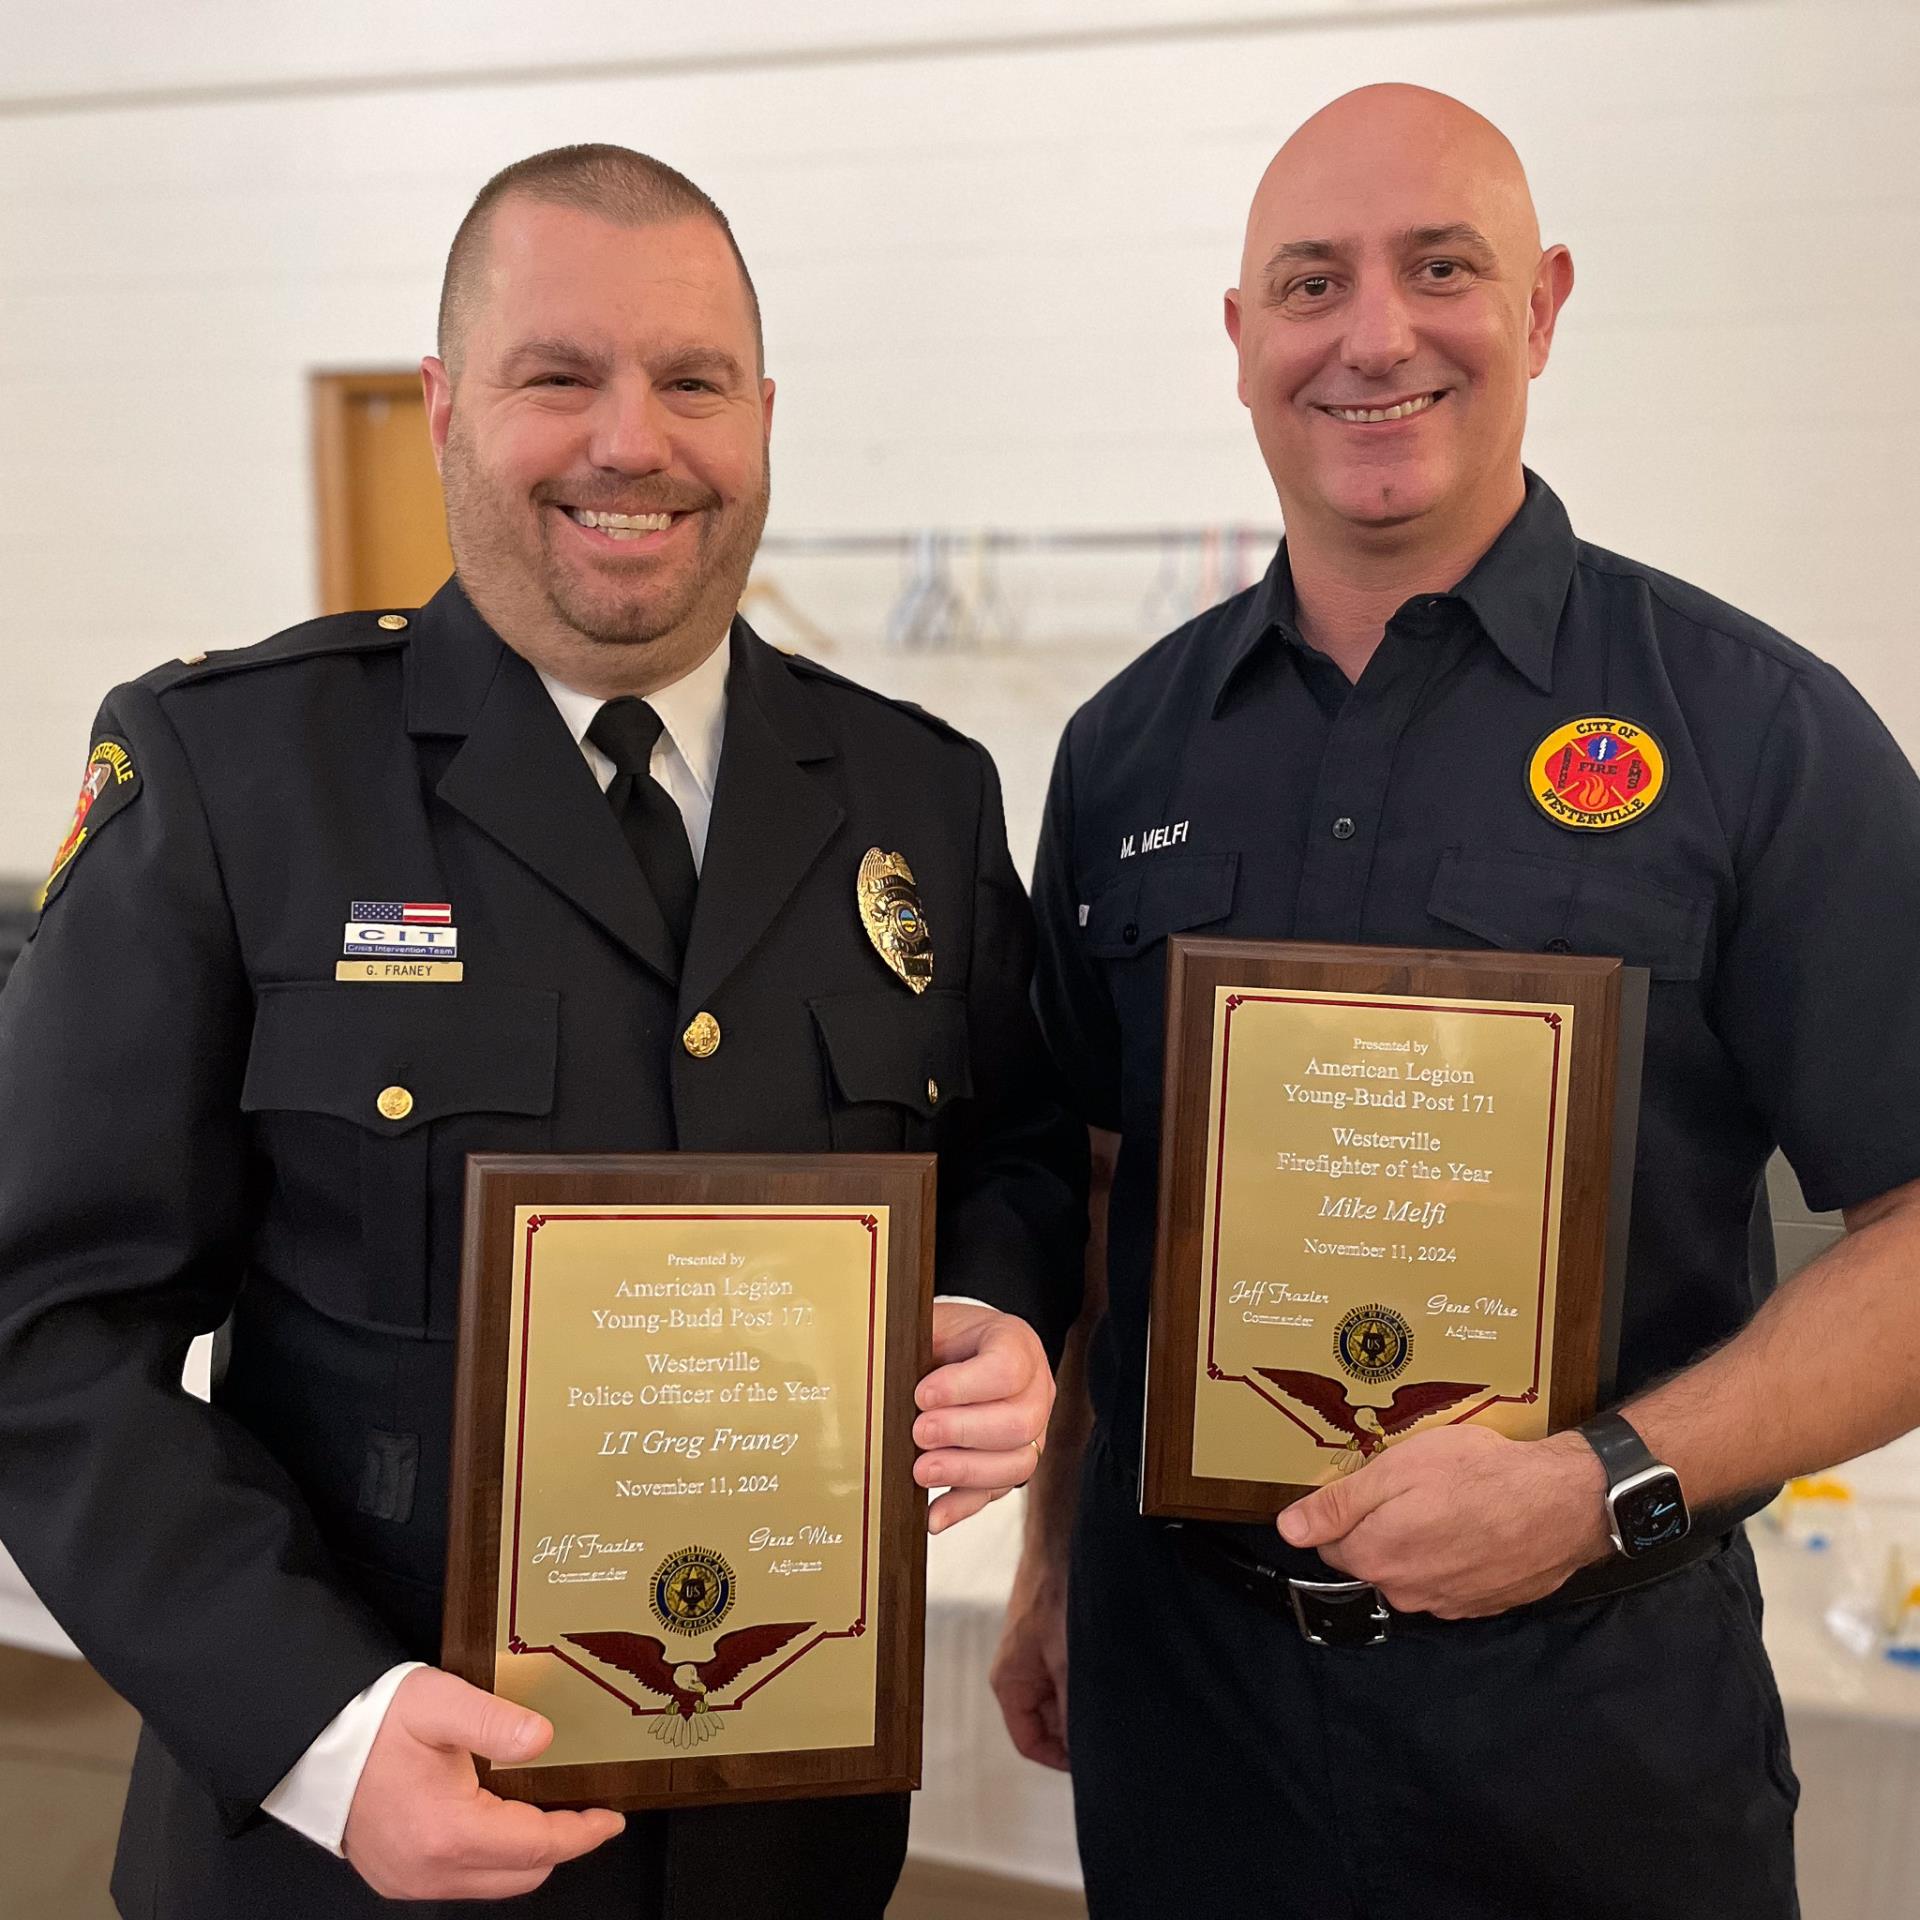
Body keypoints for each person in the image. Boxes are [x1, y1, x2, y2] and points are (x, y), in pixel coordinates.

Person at [0, 144, 1083, 1918]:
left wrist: (1000, 1309)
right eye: (557, 376)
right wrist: (322, 1736)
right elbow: (40, 1329)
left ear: (763, 413)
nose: (630, 441)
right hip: (343, 1855)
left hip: (779, 1842)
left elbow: (1019, 1146)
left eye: (692, 382)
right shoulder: (234, 779)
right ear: (443, 408)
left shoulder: (918, 795)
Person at [993, 83, 1920, 1920]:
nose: (1375, 336)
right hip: (1194, 1718)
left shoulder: (1757, 733)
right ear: (1243, 337)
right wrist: (1047, 1562)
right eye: (1313, 283)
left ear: (1545, 306)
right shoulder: (1124, 751)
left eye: (1442, 270)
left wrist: (1604, 1484)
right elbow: (1111, 1200)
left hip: (1592, 1734)